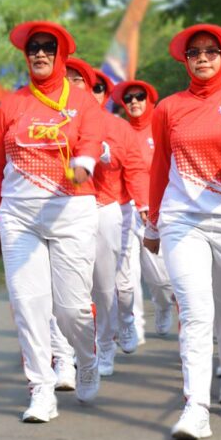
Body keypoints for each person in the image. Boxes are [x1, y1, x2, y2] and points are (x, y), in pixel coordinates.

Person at [143, 24, 221, 440]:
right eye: (194, 52)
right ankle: (195, 408)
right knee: (196, 312)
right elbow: (160, 167)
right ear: (185, 60)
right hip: (183, 218)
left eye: (210, 51)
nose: (202, 58)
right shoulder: (168, 108)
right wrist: (153, 222)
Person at [0, 20, 104, 423]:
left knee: (72, 309)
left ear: (61, 54)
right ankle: (40, 389)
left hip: (70, 210)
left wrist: (84, 163)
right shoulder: (11, 104)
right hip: (18, 215)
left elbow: (91, 141)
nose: (39, 53)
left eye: (47, 47)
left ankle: (86, 358)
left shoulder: (82, 101)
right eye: (33, 47)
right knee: (27, 304)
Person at [60, 58, 148, 378]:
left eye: (97, 87)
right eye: (79, 83)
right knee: (74, 286)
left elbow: (135, 167)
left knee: (113, 285)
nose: (90, 91)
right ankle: (73, 349)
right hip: (69, 207)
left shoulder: (118, 127)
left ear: (105, 94)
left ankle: (115, 333)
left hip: (110, 207)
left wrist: (144, 204)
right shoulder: (60, 119)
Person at [110, 80, 175, 343]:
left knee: (161, 279)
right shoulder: (119, 130)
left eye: (139, 96)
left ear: (150, 100)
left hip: (157, 210)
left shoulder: (162, 127)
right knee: (126, 276)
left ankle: (163, 304)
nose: (134, 102)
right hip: (126, 209)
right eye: (128, 99)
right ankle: (133, 324)